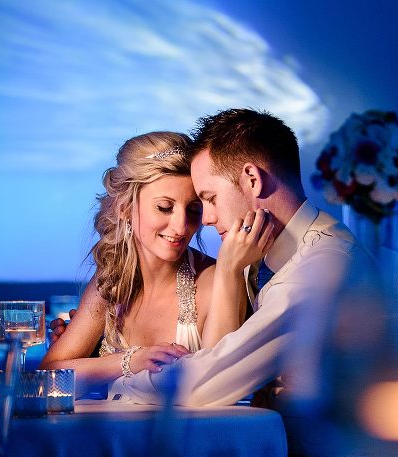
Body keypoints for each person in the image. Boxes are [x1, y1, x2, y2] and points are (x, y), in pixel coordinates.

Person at [106, 109, 398, 457]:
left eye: (208, 197)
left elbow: (208, 383)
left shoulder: (321, 264)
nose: (204, 219)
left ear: (251, 179)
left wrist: (125, 381)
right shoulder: (270, 260)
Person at [41, 130, 274, 396]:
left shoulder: (214, 279)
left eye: (194, 210)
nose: (180, 226)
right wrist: (129, 361)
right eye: (164, 207)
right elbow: (50, 380)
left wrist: (90, 367)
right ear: (125, 208)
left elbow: (214, 392)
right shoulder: (110, 282)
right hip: (114, 436)